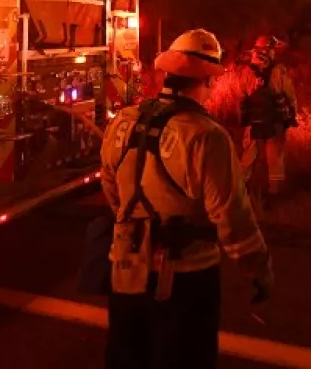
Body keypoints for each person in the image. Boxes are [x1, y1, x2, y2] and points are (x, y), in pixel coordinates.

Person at [101, 28, 272, 369]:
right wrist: (258, 270)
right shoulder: (206, 136)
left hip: (125, 269)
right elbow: (233, 217)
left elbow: (112, 190)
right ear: (208, 81)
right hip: (185, 278)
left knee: (127, 357)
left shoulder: (123, 121)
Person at [232, 35, 297, 196]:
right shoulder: (279, 71)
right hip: (275, 122)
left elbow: (241, 98)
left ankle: (239, 191)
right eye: (273, 49)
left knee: (247, 157)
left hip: (252, 122)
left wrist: (243, 118)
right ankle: (275, 194)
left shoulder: (246, 73)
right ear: (269, 51)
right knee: (275, 160)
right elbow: (289, 95)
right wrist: (292, 114)